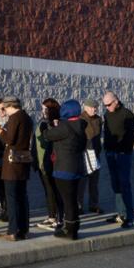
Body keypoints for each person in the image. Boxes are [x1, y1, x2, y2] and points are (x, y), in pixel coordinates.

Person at [43, 99, 88, 240]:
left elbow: (47, 136)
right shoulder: (81, 125)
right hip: (76, 167)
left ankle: (69, 230)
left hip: (63, 169)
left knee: (67, 201)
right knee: (73, 200)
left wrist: (49, 126)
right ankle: (74, 228)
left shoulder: (66, 126)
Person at [0, 96, 34, 241]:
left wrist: (0, 132)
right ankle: (24, 230)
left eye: (4, 108)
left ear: (9, 106)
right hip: (24, 161)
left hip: (12, 164)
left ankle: (12, 231)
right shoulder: (27, 117)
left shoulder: (14, 118)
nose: (4, 110)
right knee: (22, 197)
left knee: (11, 198)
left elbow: (10, 140)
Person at [102, 91, 134, 227]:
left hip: (122, 154)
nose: (107, 107)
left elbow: (131, 135)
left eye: (109, 104)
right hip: (110, 153)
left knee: (124, 184)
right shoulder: (107, 114)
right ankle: (120, 214)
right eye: (105, 105)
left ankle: (129, 216)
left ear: (116, 101)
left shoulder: (127, 114)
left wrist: (123, 149)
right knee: (115, 185)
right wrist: (106, 147)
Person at [35, 98, 63, 231]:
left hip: (51, 162)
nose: (43, 111)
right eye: (42, 109)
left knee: (53, 190)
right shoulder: (43, 122)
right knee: (48, 190)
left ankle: (57, 218)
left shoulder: (55, 123)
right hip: (41, 162)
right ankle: (51, 216)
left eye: (46, 109)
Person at [81, 98, 103, 215]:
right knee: (82, 182)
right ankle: (79, 205)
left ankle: (94, 204)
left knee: (94, 182)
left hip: (96, 154)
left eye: (96, 107)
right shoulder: (81, 119)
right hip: (84, 154)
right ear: (86, 107)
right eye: (92, 107)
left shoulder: (98, 119)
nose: (95, 109)